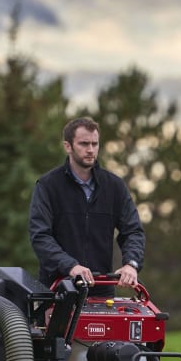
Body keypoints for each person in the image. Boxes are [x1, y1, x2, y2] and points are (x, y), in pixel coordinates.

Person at [29, 117, 145, 296]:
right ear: (68, 146)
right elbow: (40, 236)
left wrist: (131, 264)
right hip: (57, 291)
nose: (90, 149)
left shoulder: (114, 187)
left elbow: (133, 231)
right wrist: (71, 266)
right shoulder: (48, 185)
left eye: (94, 144)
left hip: (101, 291)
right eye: (84, 144)